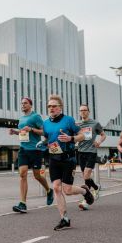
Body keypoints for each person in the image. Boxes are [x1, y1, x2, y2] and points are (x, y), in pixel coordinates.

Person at [41, 94, 94, 230]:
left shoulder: (69, 120)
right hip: (53, 159)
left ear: (60, 108)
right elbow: (48, 138)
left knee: (68, 190)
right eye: (49, 106)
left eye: (54, 106)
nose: (51, 108)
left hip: (68, 159)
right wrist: (43, 143)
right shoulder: (45, 123)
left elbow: (83, 135)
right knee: (57, 188)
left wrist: (71, 138)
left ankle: (84, 191)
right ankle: (64, 218)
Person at [8, 97, 53, 213]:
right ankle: (23, 203)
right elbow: (23, 132)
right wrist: (15, 132)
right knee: (22, 174)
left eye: (25, 103)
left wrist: (32, 129)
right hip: (23, 149)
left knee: (37, 175)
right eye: (22, 103)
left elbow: (44, 132)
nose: (23, 105)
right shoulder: (21, 118)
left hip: (35, 149)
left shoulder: (35, 117)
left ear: (30, 105)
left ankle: (49, 190)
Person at [77, 104, 106, 210]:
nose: (83, 112)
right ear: (79, 112)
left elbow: (103, 135)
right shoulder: (78, 124)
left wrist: (99, 141)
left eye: (85, 110)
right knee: (86, 176)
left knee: (86, 175)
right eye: (81, 110)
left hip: (91, 152)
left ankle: (86, 200)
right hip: (80, 152)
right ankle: (96, 187)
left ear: (88, 112)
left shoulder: (95, 123)